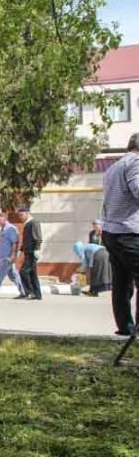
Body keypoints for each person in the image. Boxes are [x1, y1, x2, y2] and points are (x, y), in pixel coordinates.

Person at [102, 132, 139, 343]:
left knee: (122, 281)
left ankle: (125, 326)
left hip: (112, 231)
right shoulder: (135, 163)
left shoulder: (114, 167)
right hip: (129, 231)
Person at [0, 212, 27, 298]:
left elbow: (15, 242)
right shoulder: (3, 229)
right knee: (13, 275)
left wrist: (13, 255)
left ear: (5, 219)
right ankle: (24, 291)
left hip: (8, 256)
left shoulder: (11, 228)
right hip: (4, 255)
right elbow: (1, 238)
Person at [18, 207, 43, 300]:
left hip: (32, 252)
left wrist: (37, 249)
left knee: (23, 271)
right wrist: (21, 250)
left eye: (22, 215)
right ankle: (37, 294)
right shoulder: (27, 224)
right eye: (19, 215)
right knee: (33, 274)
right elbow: (26, 239)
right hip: (27, 252)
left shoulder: (33, 223)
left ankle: (30, 292)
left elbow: (37, 236)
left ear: (27, 213)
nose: (20, 217)